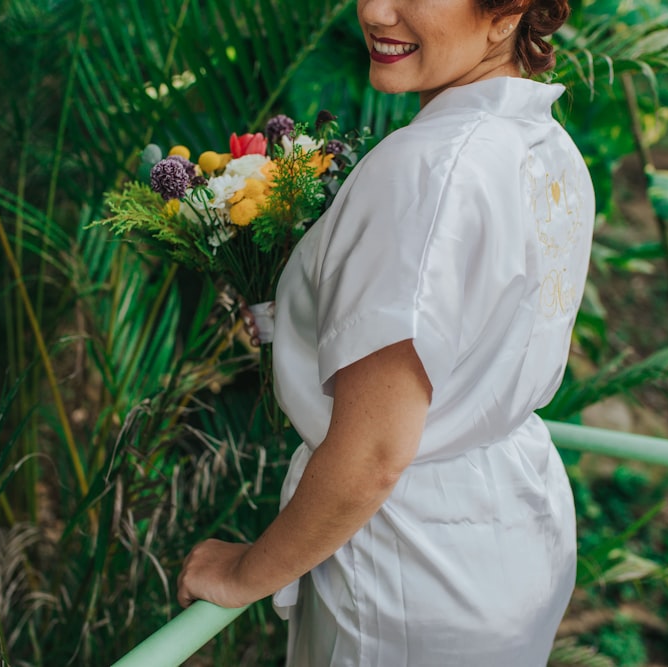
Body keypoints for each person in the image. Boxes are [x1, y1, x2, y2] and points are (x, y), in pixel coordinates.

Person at [177, 0, 594, 663]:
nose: (374, 10)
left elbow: (374, 452)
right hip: (513, 532)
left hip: (408, 565)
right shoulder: (546, 147)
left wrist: (244, 572)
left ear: (507, 12)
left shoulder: (426, 169)